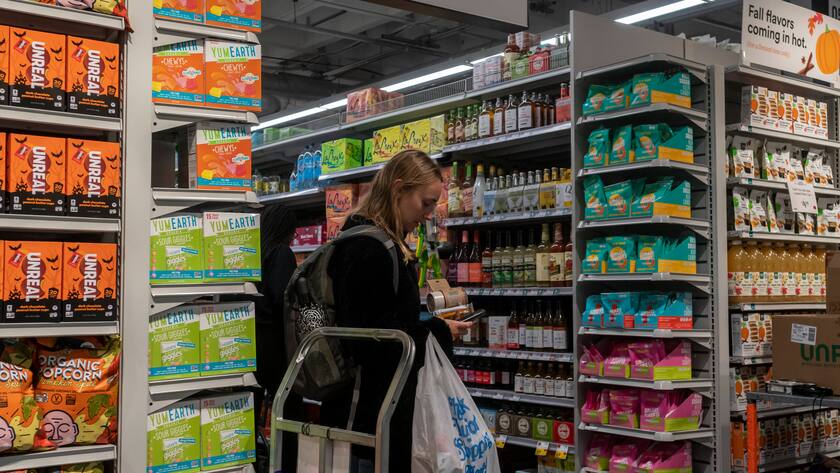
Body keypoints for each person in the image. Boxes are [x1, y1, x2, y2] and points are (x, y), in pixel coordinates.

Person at [326, 149, 471, 472]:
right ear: (398, 189)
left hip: (379, 409)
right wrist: (438, 331)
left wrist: (428, 324)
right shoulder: (370, 249)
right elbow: (372, 337)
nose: (430, 213)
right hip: (372, 414)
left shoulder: (372, 242)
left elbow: (387, 320)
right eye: (426, 202)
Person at [253, 203, 299, 473]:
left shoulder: (253, 252)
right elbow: (283, 297)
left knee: (250, 409)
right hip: (274, 343)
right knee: (289, 405)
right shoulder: (281, 252)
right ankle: (285, 465)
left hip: (250, 341)